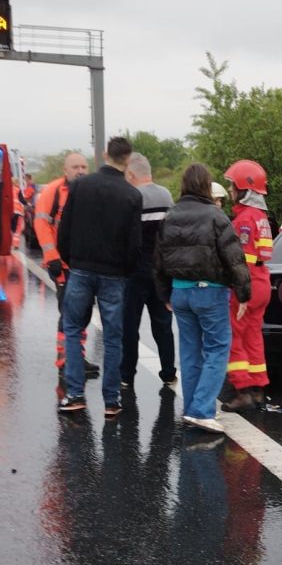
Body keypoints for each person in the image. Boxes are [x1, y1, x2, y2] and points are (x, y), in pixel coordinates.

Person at [154, 163, 250, 434]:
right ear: (207, 186)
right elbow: (234, 257)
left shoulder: (170, 216)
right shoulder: (215, 216)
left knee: (190, 351)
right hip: (210, 291)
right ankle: (201, 410)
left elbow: (158, 260)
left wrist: (165, 293)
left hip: (180, 292)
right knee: (218, 348)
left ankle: (191, 409)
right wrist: (243, 292)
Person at [56, 137, 142, 417]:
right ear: (128, 160)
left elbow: (64, 229)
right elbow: (134, 244)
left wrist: (72, 259)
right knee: (113, 337)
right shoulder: (132, 196)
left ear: (105, 154)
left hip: (81, 270)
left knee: (72, 329)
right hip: (114, 275)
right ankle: (112, 400)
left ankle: (75, 394)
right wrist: (124, 271)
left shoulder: (80, 185)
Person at [33, 152, 99, 379]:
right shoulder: (54, 191)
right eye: (75, 167)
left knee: (83, 312)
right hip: (62, 264)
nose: (80, 171)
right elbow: (41, 223)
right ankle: (65, 361)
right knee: (71, 312)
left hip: (84, 263)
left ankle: (75, 356)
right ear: (65, 170)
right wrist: (52, 257)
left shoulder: (89, 191)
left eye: (83, 167)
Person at [120, 152, 178, 391]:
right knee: (163, 325)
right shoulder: (165, 194)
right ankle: (168, 372)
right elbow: (172, 234)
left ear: (131, 174)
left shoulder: (131, 197)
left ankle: (126, 374)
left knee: (129, 326)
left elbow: (124, 236)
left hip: (134, 272)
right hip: (161, 271)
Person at [221, 159, 274, 411]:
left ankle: (241, 390)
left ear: (245, 190)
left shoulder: (244, 220)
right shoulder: (262, 217)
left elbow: (239, 259)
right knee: (254, 336)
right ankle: (258, 389)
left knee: (235, 336)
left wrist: (238, 290)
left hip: (247, 283)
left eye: (233, 187)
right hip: (262, 282)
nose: (231, 191)